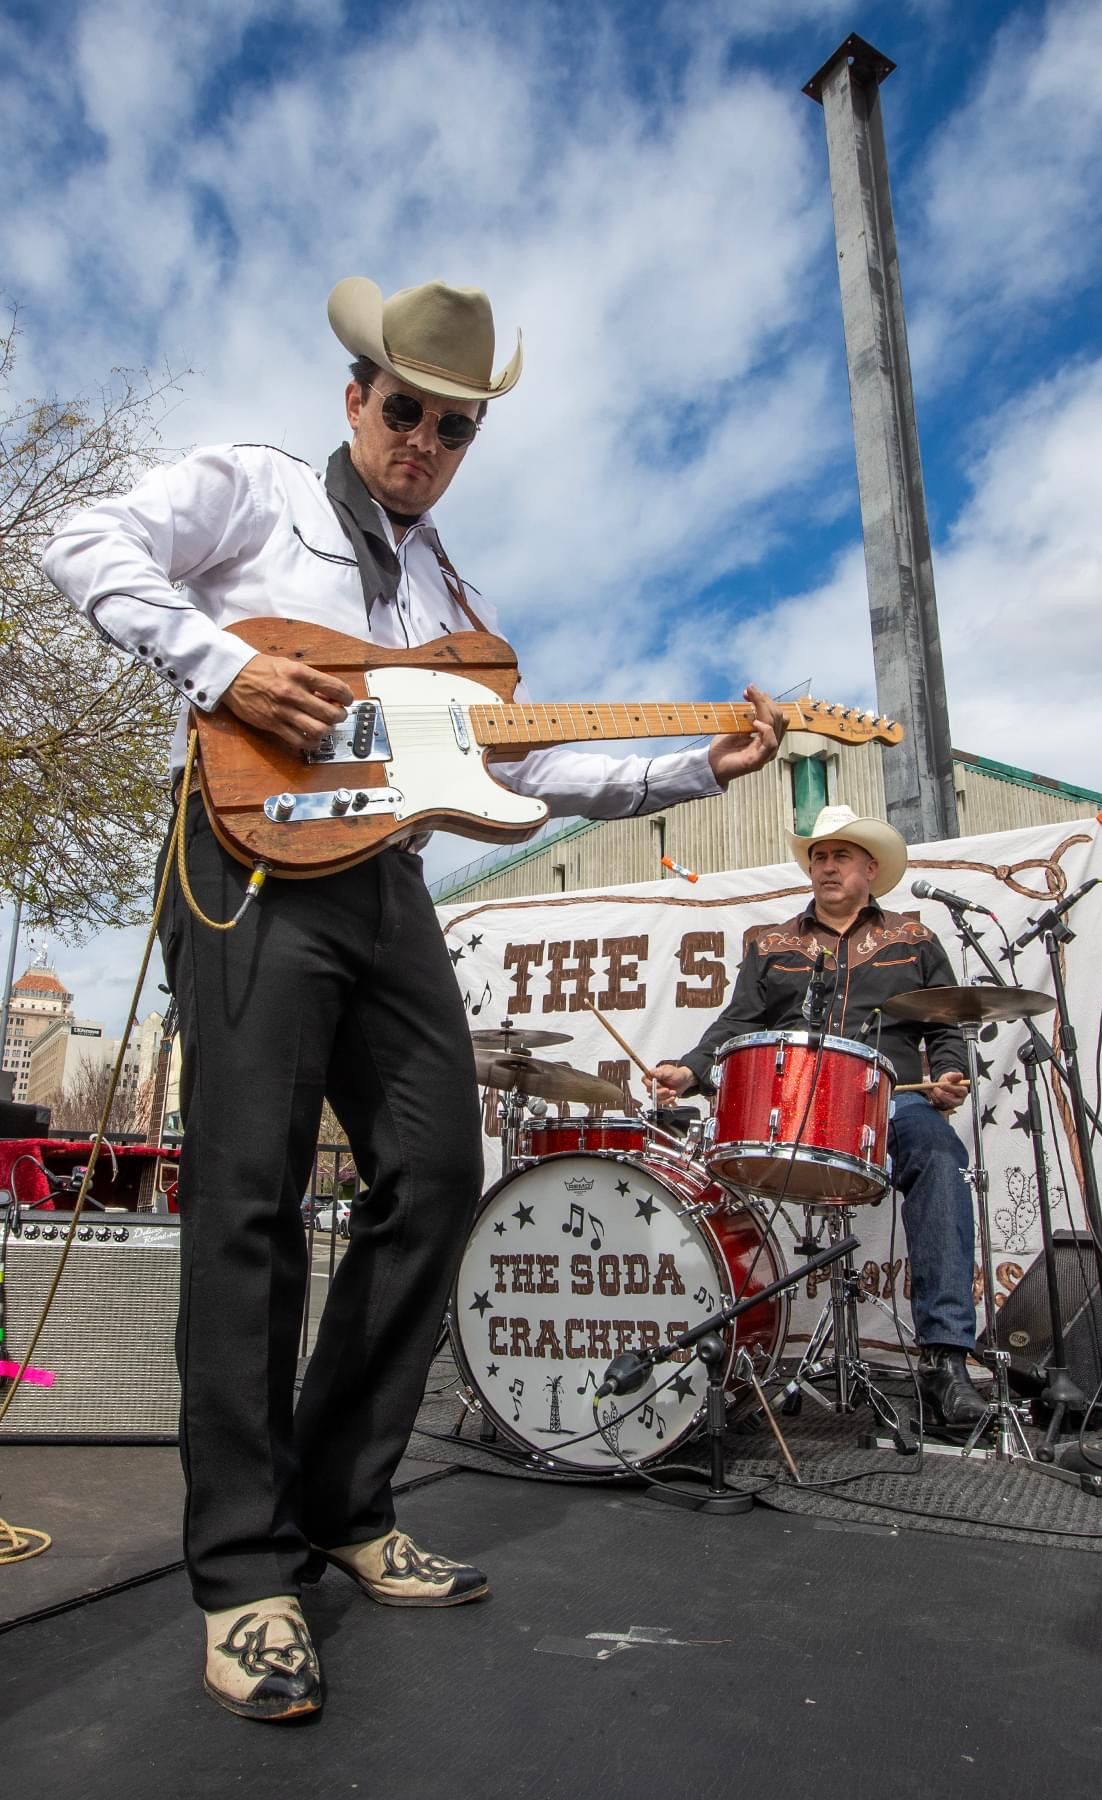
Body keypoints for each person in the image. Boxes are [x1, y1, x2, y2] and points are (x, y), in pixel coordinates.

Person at [42, 273, 787, 1722]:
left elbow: (523, 766)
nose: (427, 443)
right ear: (356, 398)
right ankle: (246, 1574)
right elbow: (84, 540)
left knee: (438, 1174)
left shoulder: (457, 599)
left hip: (387, 890)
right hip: (248, 864)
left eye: (456, 428)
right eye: (408, 412)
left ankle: (340, 1498)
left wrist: (702, 761)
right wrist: (229, 672)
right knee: (245, 1200)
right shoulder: (255, 494)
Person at [647, 804, 988, 1433]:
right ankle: (728, 1352)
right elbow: (736, 1024)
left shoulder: (914, 939)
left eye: (839, 857)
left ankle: (946, 1360)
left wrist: (946, 1075)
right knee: (711, 1166)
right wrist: (691, 1069)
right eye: (819, 857)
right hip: (793, 1104)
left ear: (870, 868)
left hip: (892, 1100)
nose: (826, 867)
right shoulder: (773, 944)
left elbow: (946, 1024)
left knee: (940, 1155)